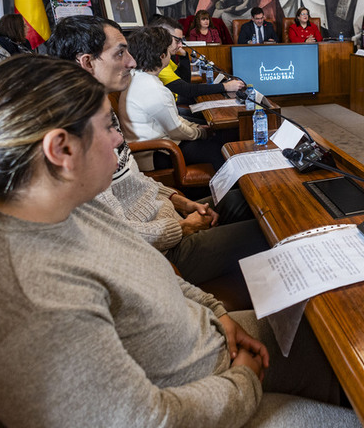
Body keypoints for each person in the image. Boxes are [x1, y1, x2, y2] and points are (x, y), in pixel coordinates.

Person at [0, 55, 357, 428]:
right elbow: (142, 426)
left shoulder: (62, 202)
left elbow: (148, 267)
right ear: (60, 148)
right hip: (203, 407)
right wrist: (243, 381)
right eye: (109, 127)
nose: (122, 141)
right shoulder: (25, 297)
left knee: (352, 340)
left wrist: (216, 313)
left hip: (209, 350)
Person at [44, 16, 261, 281]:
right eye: (120, 53)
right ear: (87, 62)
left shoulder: (98, 109)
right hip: (165, 249)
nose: (132, 62)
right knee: (268, 230)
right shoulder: (74, 136)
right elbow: (114, 234)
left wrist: (178, 200)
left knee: (252, 199)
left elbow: (131, 176)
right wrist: (182, 227)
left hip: (166, 215)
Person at [121, 26, 229, 171]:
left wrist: (196, 127)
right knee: (218, 149)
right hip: (154, 152)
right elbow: (176, 130)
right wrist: (202, 132)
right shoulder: (154, 89)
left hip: (155, 143)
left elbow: (174, 118)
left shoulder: (136, 76)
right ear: (161, 55)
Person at [153, 16, 244, 107]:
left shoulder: (166, 57)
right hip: (172, 105)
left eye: (181, 41)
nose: (180, 45)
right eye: (177, 41)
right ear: (164, 37)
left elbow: (184, 80)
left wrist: (184, 56)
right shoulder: (157, 60)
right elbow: (187, 90)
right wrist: (226, 87)